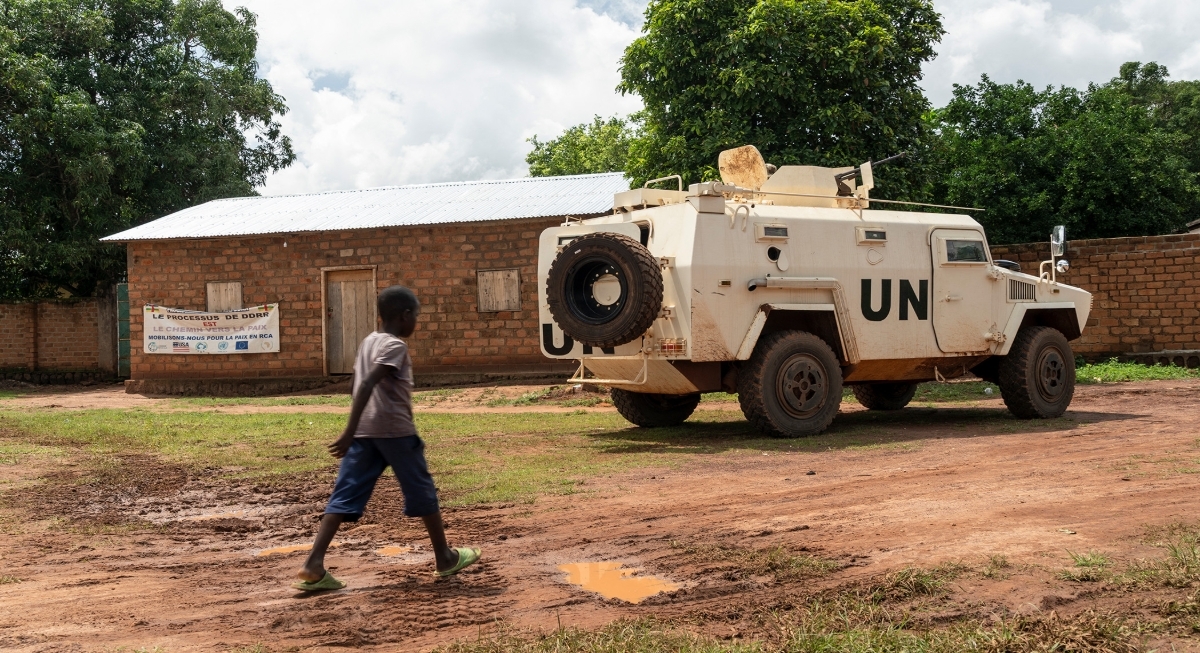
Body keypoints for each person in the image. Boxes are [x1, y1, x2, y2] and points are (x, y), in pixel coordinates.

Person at [294, 286, 480, 591]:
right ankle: (444, 557)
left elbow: (355, 382)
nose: (416, 322)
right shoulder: (395, 346)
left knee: (344, 494)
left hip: (367, 435)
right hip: (395, 432)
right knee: (422, 489)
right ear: (404, 316)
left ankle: (313, 564)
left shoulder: (368, 342)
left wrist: (356, 429)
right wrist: (348, 430)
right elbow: (367, 383)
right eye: (416, 316)